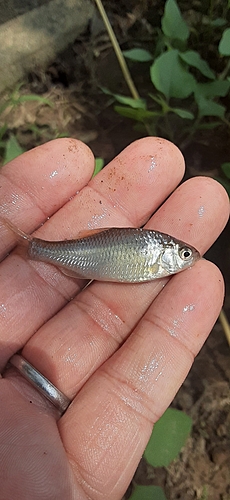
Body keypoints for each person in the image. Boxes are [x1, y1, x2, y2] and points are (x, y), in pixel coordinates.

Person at [0, 137, 229, 500]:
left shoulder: (155, 251)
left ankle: (33, 247)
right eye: (184, 254)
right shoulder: (154, 252)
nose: (187, 260)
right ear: (168, 253)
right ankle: (31, 247)